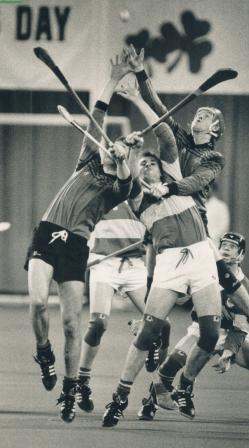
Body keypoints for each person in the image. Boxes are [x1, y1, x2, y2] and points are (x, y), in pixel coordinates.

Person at [123, 44, 249, 343]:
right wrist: (140, 72)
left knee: (217, 271)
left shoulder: (214, 158)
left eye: (206, 115)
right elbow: (157, 107)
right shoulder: (180, 138)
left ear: (216, 128)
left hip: (192, 216)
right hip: (162, 212)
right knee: (157, 268)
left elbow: (195, 182)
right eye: (197, 112)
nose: (199, 115)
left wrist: (169, 187)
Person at [102, 80, 222, 427]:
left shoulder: (174, 171)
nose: (147, 167)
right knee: (148, 333)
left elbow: (166, 135)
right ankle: (120, 397)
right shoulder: (136, 197)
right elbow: (124, 176)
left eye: (150, 163)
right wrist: (123, 159)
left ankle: (171, 385)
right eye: (143, 166)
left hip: (200, 255)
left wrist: (139, 97)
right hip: (170, 264)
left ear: (161, 165)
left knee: (211, 335)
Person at [24, 55, 134, 423]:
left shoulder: (117, 188)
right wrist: (115, 77)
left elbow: (125, 179)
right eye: (108, 146)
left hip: (76, 245)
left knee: (72, 324)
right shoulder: (86, 161)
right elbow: (97, 114)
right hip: (48, 231)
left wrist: (123, 160)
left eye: (115, 148)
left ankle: (68, 392)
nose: (109, 146)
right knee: (38, 303)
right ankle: (43, 352)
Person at [140, 232, 249, 425]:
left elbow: (239, 327)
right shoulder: (205, 273)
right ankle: (151, 403)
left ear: (241, 256)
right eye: (223, 245)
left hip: (230, 333)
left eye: (232, 247)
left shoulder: (245, 289)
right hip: (201, 330)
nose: (225, 249)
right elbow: (179, 297)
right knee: (170, 366)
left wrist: (228, 354)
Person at [76, 200, 171, 411]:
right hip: (103, 264)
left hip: (135, 267)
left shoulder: (142, 199)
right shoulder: (99, 196)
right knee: (98, 324)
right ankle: (82, 382)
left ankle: (160, 384)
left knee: (163, 326)